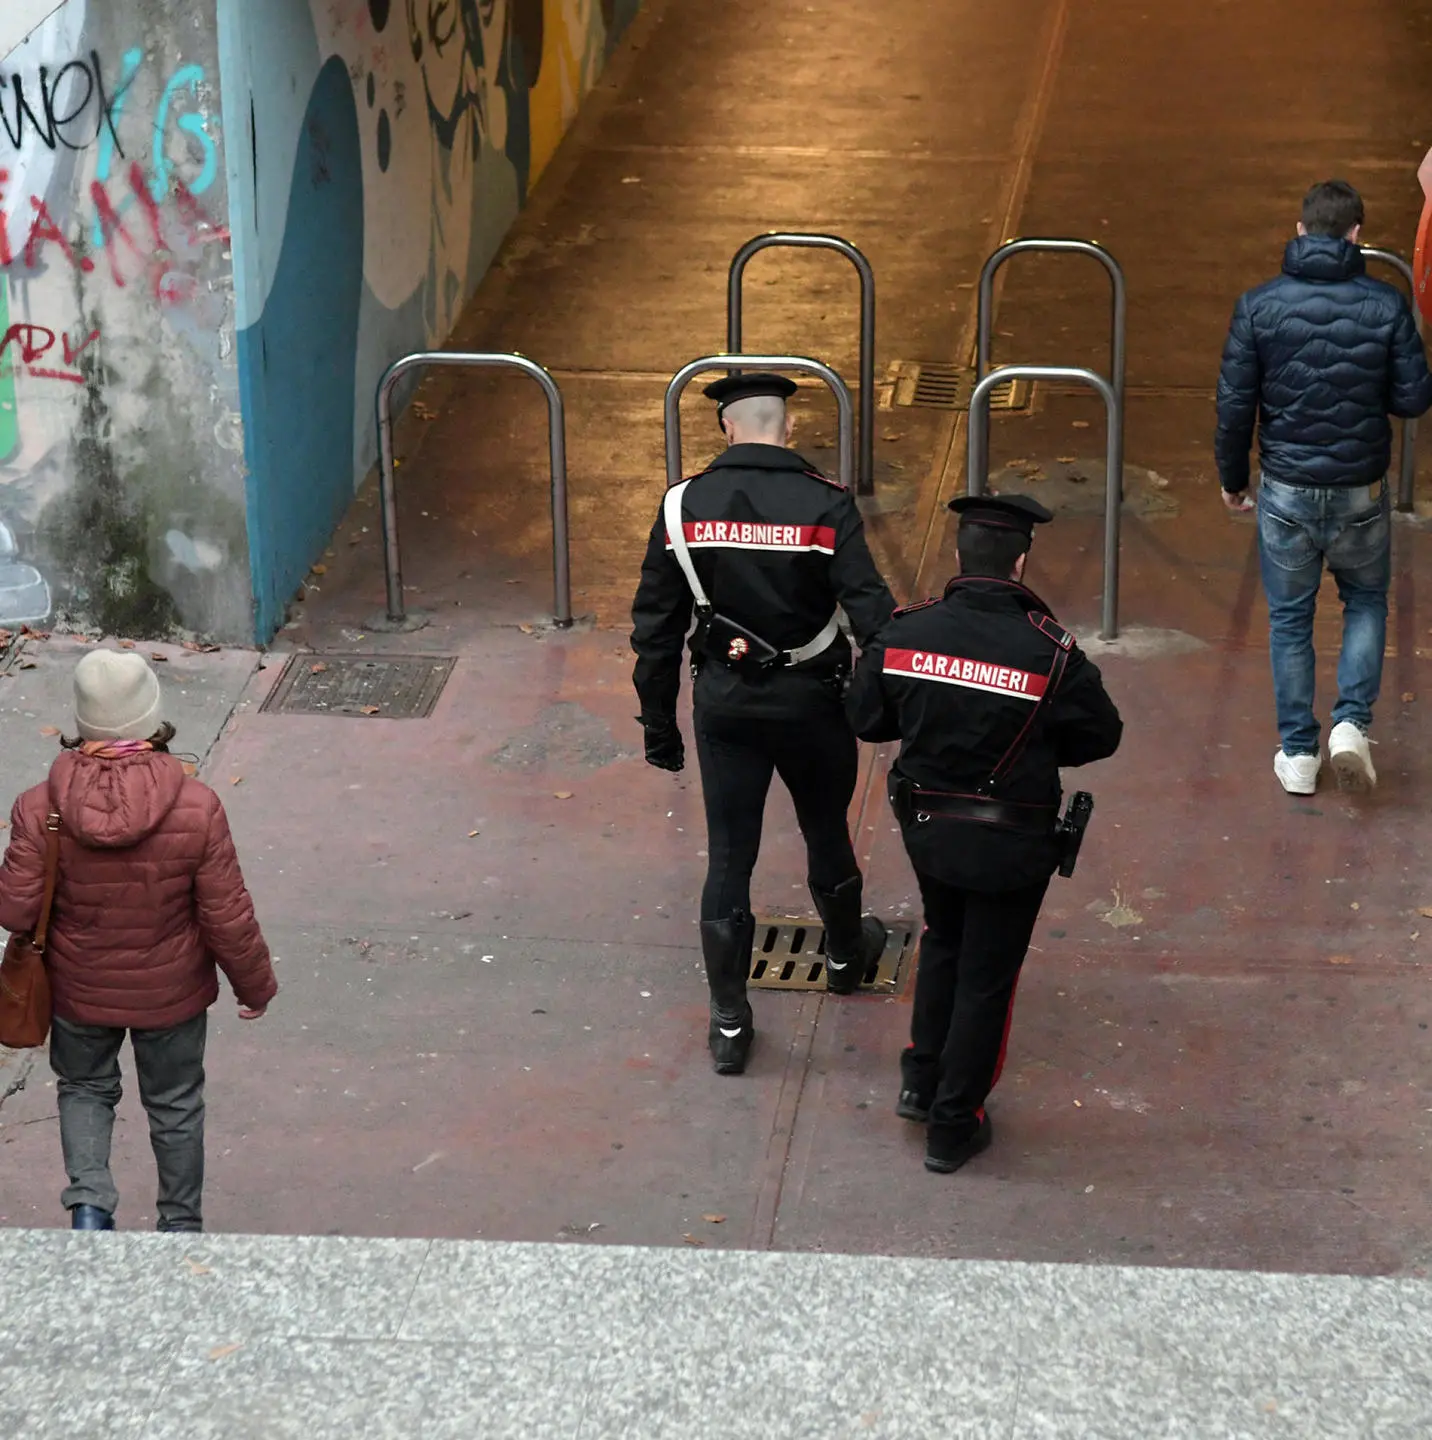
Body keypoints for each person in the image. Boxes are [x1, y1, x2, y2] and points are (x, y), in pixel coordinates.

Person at [846, 495, 1122, 1174]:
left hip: (928, 830)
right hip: (1013, 843)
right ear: (1021, 559)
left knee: (944, 941)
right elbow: (1101, 734)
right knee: (987, 977)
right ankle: (953, 1122)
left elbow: (868, 719)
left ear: (961, 556)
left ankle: (920, 1078)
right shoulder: (1051, 652)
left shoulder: (906, 633)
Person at [631, 372, 896, 1075]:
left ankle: (727, 1024)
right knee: (825, 829)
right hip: (813, 701)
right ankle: (843, 957)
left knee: (729, 856)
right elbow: (872, 615)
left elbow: (656, 627)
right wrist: (888, 710)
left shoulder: (682, 506)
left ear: (727, 428)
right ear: (785, 427)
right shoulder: (826, 504)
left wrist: (660, 724)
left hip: (725, 704)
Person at [0, 649, 276, 1232]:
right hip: (171, 997)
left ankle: (91, 1210)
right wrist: (255, 986)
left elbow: (15, 910)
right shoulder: (197, 807)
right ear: (152, 716)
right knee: (175, 1106)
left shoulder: (38, 807)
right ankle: (179, 1226)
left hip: (78, 992)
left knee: (83, 1089)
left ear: (81, 721)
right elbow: (227, 914)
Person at [1216, 178, 1432, 795]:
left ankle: (1299, 754)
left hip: (1284, 488)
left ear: (1300, 228)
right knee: (1365, 600)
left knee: (1290, 618)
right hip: (1360, 487)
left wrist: (1233, 480)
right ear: (1358, 235)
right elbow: (1415, 396)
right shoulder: (1386, 305)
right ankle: (1350, 726)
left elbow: (1234, 406)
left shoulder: (1258, 305)